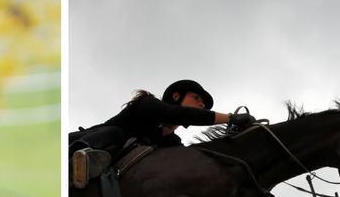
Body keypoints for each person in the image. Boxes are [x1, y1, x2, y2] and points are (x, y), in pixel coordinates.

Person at [70, 79, 255, 188]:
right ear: (176, 96)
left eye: (203, 106)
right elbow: (179, 114)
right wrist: (230, 118)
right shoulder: (147, 104)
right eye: (197, 99)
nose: (201, 106)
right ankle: (77, 160)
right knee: (114, 134)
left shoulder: (172, 143)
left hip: (111, 180)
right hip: (78, 143)